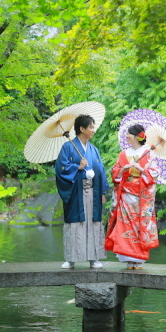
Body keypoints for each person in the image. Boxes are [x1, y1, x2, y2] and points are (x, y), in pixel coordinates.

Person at [55, 114, 109, 269]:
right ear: (82, 128)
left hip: (93, 191)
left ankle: (94, 258)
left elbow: (101, 171)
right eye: (91, 127)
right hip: (76, 191)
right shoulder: (67, 147)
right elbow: (60, 169)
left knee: (93, 223)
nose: (93, 130)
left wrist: (102, 193)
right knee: (75, 224)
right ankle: (70, 259)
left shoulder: (94, 150)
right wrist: (77, 167)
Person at [105, 123, 159, 269]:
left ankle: (139, 259)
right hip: (126, 197)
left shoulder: (149, 153)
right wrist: (123, 170)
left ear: (137, 136)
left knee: (139, 228)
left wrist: (142, 170)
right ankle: (128, 259)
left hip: (141, 199)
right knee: (125, 227)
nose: (127, 136)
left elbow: (154, 173)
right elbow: (115, 173)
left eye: (129, 134)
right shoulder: (123, 154)